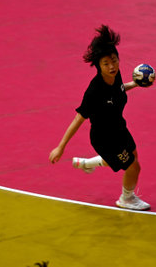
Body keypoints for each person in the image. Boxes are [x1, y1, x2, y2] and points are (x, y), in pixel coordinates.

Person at [49, 25, 150, 211]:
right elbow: (78, 119)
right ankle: (126, 199)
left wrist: (135, 84)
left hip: (119, 128)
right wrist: (60, 147)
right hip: (104, 138)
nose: (111, 66)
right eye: (106, 63)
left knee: (133, 156)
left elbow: (118, 90)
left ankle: (87, 164)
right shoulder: (94, 91)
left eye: (114, 60)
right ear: (98, 66)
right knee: (133, 167)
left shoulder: (116, 74)